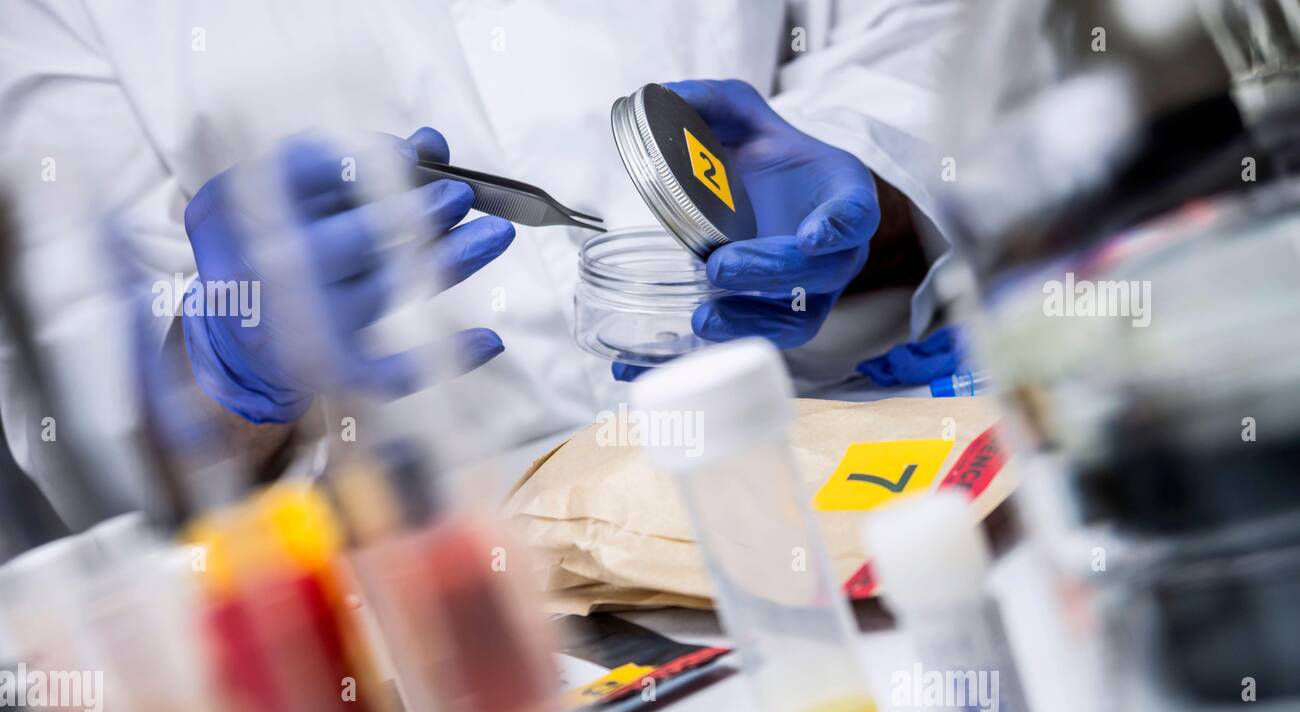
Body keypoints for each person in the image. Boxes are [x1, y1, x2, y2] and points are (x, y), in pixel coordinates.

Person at [0, 0, 960, 529]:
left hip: (850, 472)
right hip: (458, 607)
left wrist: (862, 168)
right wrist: (221, 359)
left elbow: (926, 33)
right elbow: (81, 411)